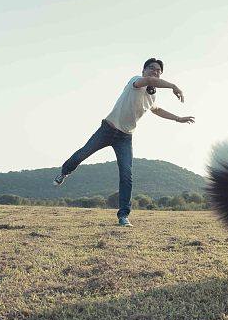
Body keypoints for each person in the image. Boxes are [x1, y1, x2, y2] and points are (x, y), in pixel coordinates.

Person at [53, 58, 195, 226]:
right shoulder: (136, 81)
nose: (155, 72)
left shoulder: (152, 95)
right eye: (151, 68)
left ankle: (123, 216)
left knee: (126, 175)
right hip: (107, 130)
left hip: (125, 137)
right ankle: (64, 172)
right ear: (143, 71)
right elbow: (149, 80)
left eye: (158, 71)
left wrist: (178, 119)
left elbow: (156, 109)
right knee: (83, 154)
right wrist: (173, 86)